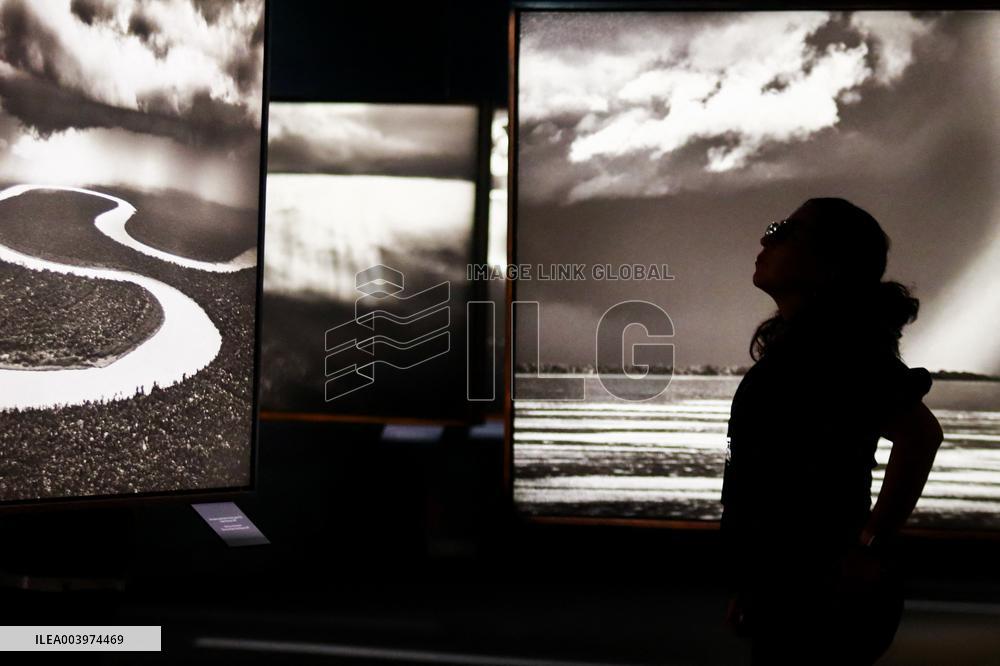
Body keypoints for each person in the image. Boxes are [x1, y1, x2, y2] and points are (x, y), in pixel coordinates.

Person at [720, 198, 944, 665]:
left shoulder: (838, 348)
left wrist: (869, 547)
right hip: (794, 587)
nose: (766, 238)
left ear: (830, 262)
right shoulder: (806, 346)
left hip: (825, 593)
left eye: (785, 230)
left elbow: (920, 436)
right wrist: (753, 584)